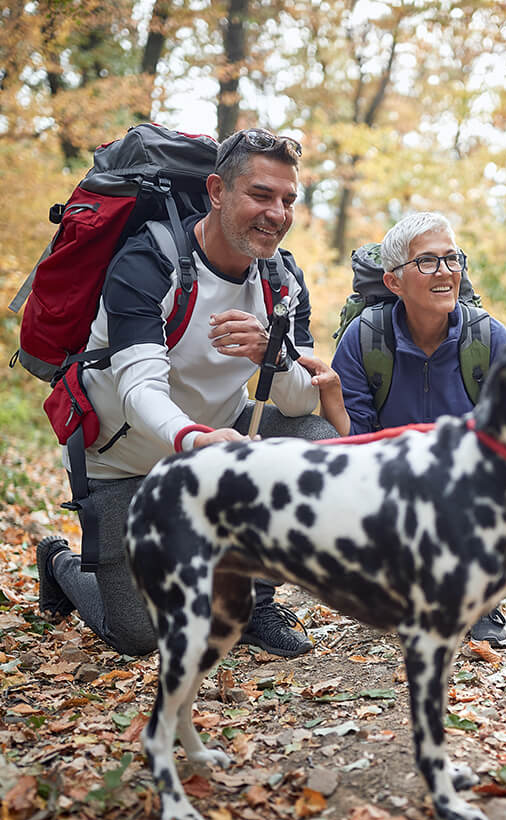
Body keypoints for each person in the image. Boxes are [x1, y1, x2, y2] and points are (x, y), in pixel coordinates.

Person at [36, 127, 349, 659]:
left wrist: (270, 355)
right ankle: (60, 564)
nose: (277, 213)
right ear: (217, 191)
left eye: (287, 200)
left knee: (313, 437)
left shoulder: (283, 280)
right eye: (260, 194)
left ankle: (252, 600)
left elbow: (299, 403)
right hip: (128, 461)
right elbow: (139, 389)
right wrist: (195, 440)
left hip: (217, 441)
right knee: (141, 636)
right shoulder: (147, 263)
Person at [331, 212, 506, 647]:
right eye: (428, 262)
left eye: (452, 260)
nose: (446, 272)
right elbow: (353, 442)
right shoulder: (364, 339)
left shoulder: (489, 339)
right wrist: (331, 400)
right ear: (394, 281)